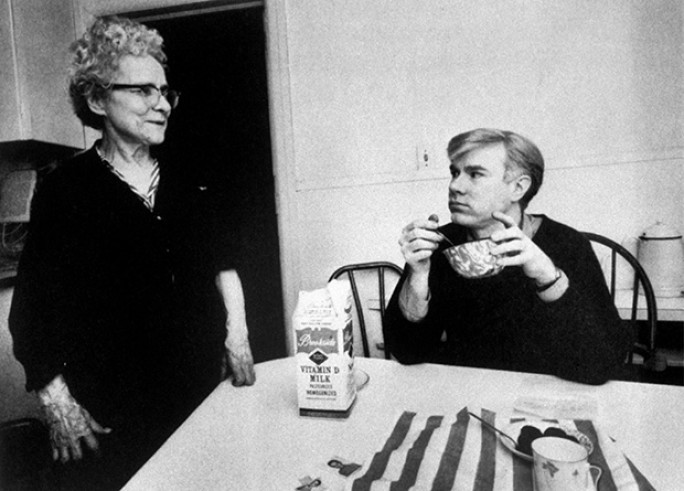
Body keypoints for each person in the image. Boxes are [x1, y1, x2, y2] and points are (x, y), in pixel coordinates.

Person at [9, 16, 255, 490]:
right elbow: (32, 311)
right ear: (98, 98)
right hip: (112, 416)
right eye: (144, 91)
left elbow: (224, 264)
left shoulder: (191, 180)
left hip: (197, 394)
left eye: (165, 92)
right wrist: (57, 402)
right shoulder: (65, 190)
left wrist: (237, 336)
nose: (162, 104)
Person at [384, 128, 633, 385]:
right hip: (468, 395)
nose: (454, 186)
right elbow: (407, 352)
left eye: (475, 174)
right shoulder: (439, 244)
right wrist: (418, 276)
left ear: (518, 187)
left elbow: (603, 364)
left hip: (546, 400)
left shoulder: (567, 244)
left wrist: (548, 276)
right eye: (454, 173)